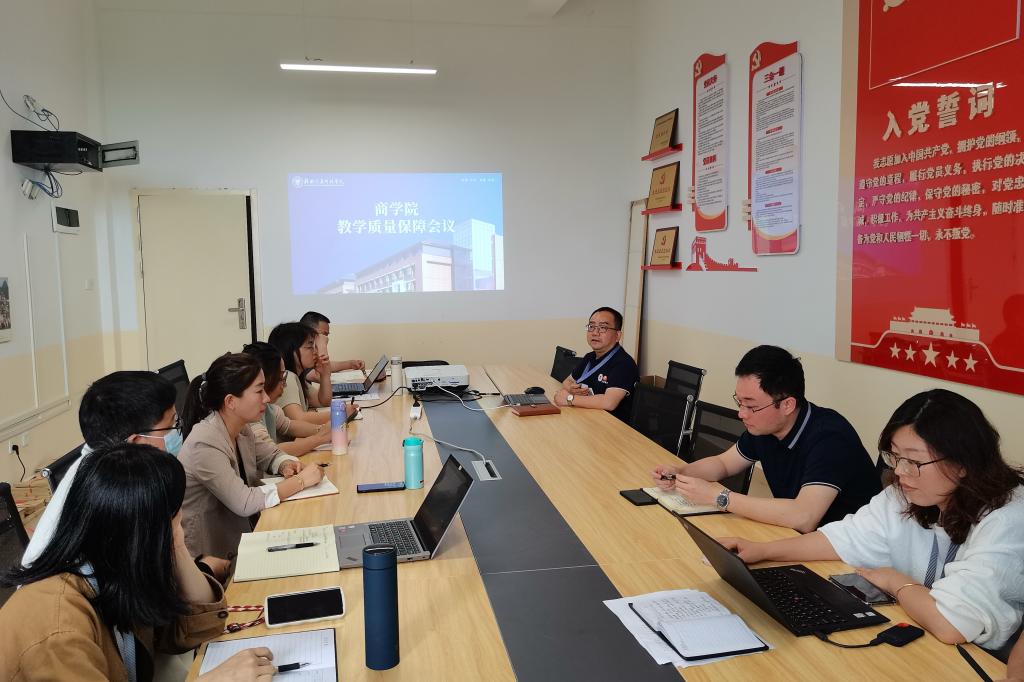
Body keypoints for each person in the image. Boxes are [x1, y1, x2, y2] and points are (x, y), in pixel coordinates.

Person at [719, 389, 1024, 651]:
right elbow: (844, 538)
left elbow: (951, 625)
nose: (900, 472)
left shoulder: (1008, 518)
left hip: (978, 659)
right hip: (923, 637)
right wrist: (762, 550)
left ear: (963, 462)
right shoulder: (908, 495)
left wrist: (895, 581)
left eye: (914, 461)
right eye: (896, 457)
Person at [0, 443, 276, 681]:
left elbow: (198, 628)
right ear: (142, 532)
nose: (178, 521)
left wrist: (177, 544)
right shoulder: (58, 628)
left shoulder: (111, 567)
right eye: (174, 515)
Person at [22, 370, 230, 582]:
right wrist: (202, 569)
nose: (178, 432)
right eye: (172, 425)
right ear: (137, 442)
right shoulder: (116, 492)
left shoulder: (106, 466)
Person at [652, 345, 880, 531]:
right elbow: (724, 463)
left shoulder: (830, 438)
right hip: (797, 536)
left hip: (849, 553)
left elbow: (804, 517)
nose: (742, 414)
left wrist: (720, 497)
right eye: (739, 402)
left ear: (787, 404)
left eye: (751, 406)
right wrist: (680, 472)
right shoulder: (765, 427)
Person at [178, 352, 324, 560]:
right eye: (259, 391)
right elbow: (244, 502)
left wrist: (285, 464)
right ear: (231, 401)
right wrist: (300, 481)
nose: (266, 398)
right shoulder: (204, 443)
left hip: (240, 537)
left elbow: (270, 454)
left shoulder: (241, 427)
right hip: (211, 557)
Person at [242, 341, 331, 454]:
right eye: (280, 377)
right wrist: (319, 438)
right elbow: (270, 451)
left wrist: (322, 430)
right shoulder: (248, 416)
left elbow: (289, 425)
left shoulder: (270, 408)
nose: (284, 384)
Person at [553, 306, 639, 421]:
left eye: (603, 328)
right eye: (591, 326)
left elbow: (609, 402)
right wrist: (571, 389)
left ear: (617, 336)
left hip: (612, 425)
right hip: (588, 418)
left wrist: (569, 398)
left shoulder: (624, 364)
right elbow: (567, 381)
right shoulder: (590, 357)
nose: (595, 333)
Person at [268, 321, 332, 424]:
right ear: (290, 350)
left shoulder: (297, 376)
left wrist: (325, 374)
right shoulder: (287, 377)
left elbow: (323, 402)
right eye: (310, 347)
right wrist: (340, 413)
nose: (315, 352)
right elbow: (299, 419)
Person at [299, 310, 365, 375]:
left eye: (327, 335)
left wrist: (351, 364)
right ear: (308, 331)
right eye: (323, 334)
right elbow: (319, 375)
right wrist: (322, 345)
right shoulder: (300, 350)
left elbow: (323, 365)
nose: (326, 338)